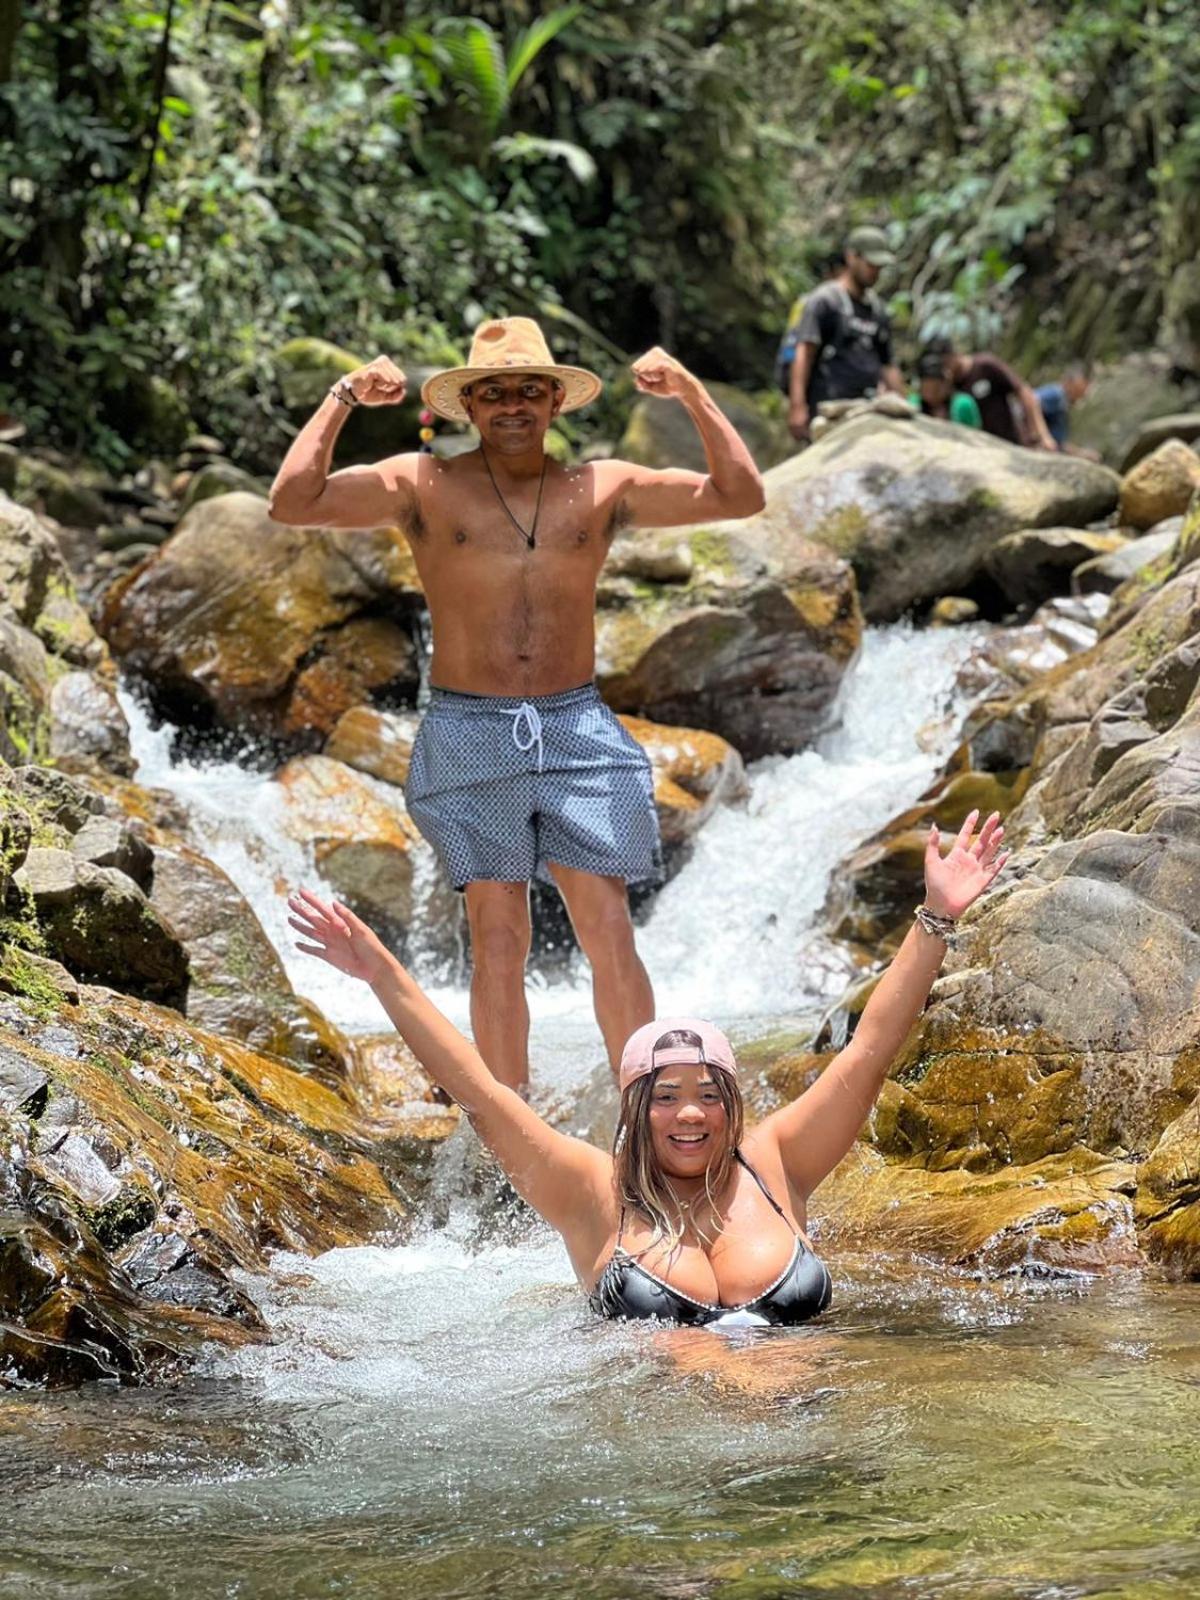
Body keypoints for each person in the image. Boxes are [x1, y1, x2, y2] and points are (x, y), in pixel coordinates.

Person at [267, 318, 765, 1096]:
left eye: (528, 390)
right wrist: (343, 398)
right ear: (467, 404)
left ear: (554, 402)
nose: (511, 405)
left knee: (607, 925)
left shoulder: (601, 488)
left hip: (575, 725)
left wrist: (692, 393)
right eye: (493, 391)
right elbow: (293, 502)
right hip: (469, 728)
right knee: (498, 938)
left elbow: (740, 494)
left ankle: (645, 1112)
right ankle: (512, 1130)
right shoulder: (422, 483)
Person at [287, 810, 1008, 1327]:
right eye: (665, 1097)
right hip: (666, 1476)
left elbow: (870, 1049)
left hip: (806, 1440)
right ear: (635, 1109)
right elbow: (476, 1088)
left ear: (731, 1104)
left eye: (707, 1095)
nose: (690, 1113)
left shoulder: (779, 1161)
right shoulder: (589, 1191)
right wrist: (380, 972)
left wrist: (935, 919)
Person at [784, 227, 906, 442]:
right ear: (852, 257)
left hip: (865, 410)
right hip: (828, 411)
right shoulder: (825, 301)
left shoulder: (877, 310)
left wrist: (903, 405)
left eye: (879, 267)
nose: (875, 272)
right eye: (870, 264)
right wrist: (797, 406)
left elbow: (888, 364)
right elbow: (804, 352)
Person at [936, 340, 1058, 451]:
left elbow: (1024, 392)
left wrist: (1042, 434)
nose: (946, 367)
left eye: (946, 362)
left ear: (954, 354)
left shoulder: (985, 366)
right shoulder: (950, 386)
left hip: (1014, 441)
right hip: (981, 450)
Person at [909, 350, 982, 428]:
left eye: (936, 390)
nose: (931, 395)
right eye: (926, 390)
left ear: (946, 383)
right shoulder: (913, 403)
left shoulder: (963, 404)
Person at [1035, 363, 1096, 456]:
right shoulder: (1056, 394)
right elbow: (1032, 402)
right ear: (1068, 383)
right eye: (1077, 390)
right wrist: (1044, 436)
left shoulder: (1063, 405)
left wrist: (1080, 453)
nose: (1081, 395)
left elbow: (1059, 443)